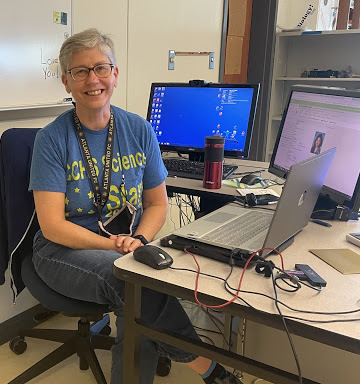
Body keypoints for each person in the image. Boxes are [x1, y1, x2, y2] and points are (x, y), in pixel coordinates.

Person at [29, 28, 242, 384]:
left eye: (100, 68)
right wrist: (117, 246)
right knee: (133, 281)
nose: (92, 79)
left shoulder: (139, 130)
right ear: (67, 82)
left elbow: (157, 203)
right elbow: (51, 226)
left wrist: (139, 240)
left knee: (136, 293)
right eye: (80, 71)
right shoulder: (51, 139)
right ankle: (210, 368)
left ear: (114, 74)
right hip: (60, 250)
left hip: (130, 246)